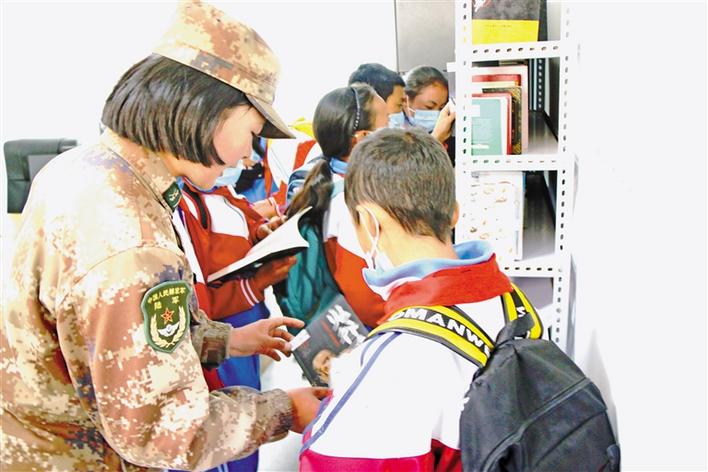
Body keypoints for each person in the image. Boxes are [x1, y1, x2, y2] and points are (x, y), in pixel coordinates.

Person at [1, 3, 328, 470]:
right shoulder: (131, 239)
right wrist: (284, 410)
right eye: (252, 132)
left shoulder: (84, 169)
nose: (246, 154)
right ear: (206, 110)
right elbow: (164, 430)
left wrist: (226, 340)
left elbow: (113, 336)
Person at [299, 128, 539, 471]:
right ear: (454, 212)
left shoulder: (394, 361)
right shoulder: (515, 301)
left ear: (368, 224)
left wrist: (328, 410)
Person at [284, 84, 389, 328]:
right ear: (363, 137)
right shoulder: (349, 203)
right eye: (388, 123)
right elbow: (363, 300)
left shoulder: (327, 177)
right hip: (364, 329)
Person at [404, 65, 456, 145]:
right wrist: (437, 138)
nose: (436, 114)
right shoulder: (392, 136)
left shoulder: (448, 136)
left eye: (441, 108)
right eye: (429, 107)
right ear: (405, 101)